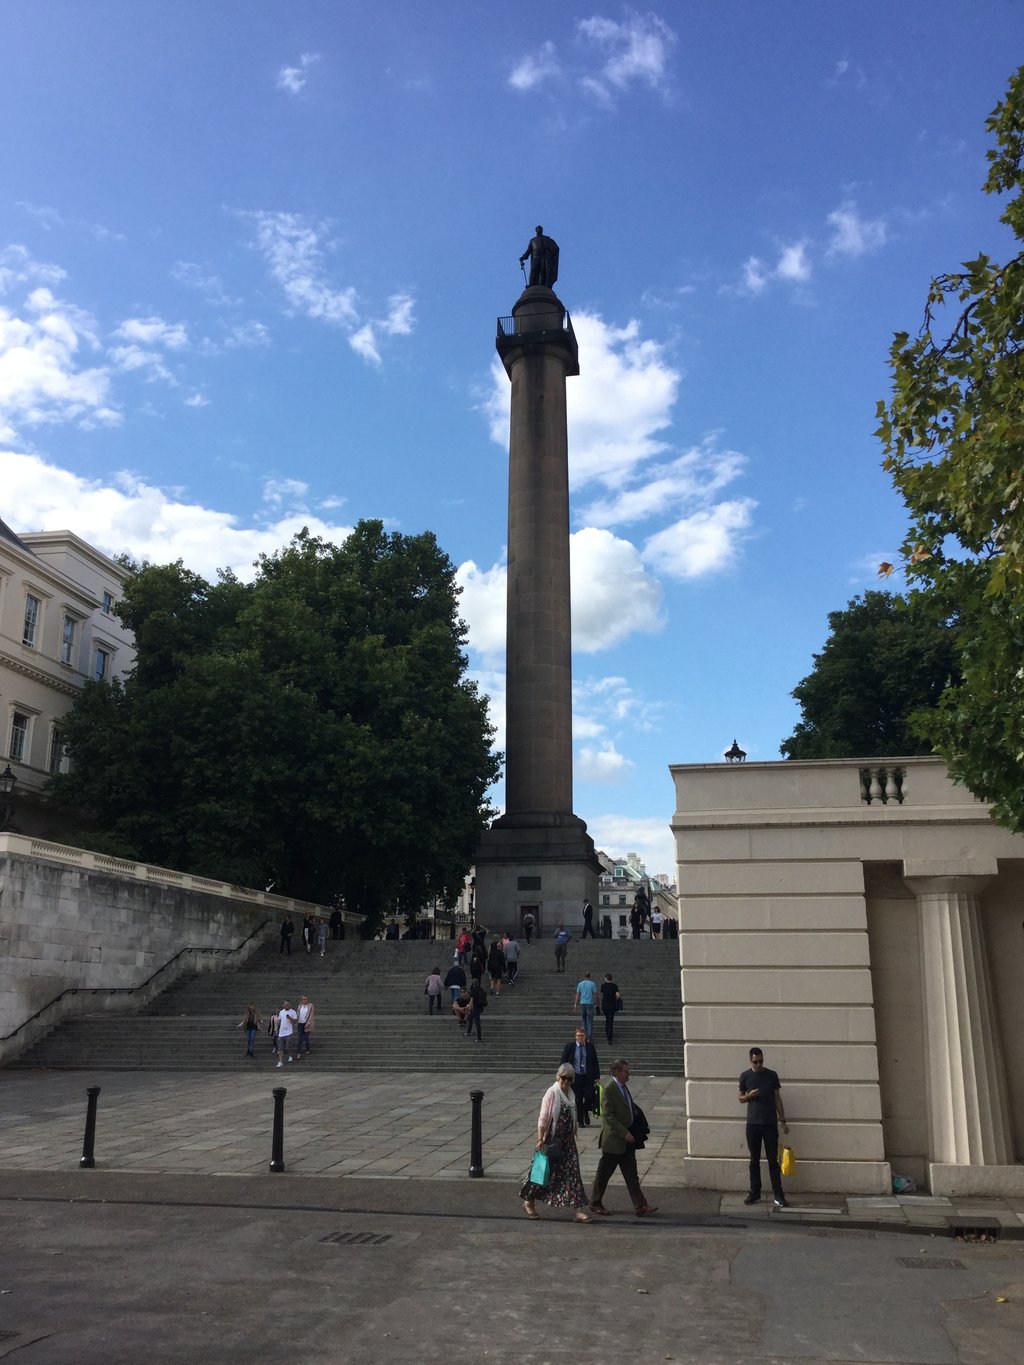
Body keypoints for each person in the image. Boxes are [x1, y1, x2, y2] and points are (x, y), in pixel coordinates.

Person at [519, 1062, 591, 1222]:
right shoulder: (551, 1093)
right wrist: (540, 1139)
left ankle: (578, 1211)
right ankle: (528, 1201)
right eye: (563, 1078)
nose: (566, 1082)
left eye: (569, 1079)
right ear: (558, 1077)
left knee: (573, 1175)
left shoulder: (571, 1095)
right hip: (552, 1141)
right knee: (542, 1172)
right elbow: (543, 1118)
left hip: (568, 1143)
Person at [589, 1059, 658, 1217]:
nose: (628, 1074)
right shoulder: (609, 1089)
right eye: (626, 1071)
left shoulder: (622, 1086)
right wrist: (624, 1133)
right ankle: (595, 1202)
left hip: (627, 1140)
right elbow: (609, 1116)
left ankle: (640, 1205)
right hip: (614, 1141)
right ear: (616, 1072)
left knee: (631, 1174)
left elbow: (626, 1105)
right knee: (604, 1174)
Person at [739, 1046, 790, 1208]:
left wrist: (783, 1121)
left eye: (761, 1061)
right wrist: (749, 1096)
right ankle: (755, 1192)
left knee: (772, 1160)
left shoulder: (772, 1075)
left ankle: (778, 1194)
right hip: (753, 1124)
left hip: (770, 1124)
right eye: (756, 1062)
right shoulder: (745, 1076)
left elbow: (777, 1098)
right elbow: (740, 1098)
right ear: (750, 1060)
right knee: (754, 1160)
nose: (759, 1064)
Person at [560, 1026, 601, 1128]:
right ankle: (581, 1120)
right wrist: (563, 1076)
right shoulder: (570, 1047)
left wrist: (597, 1076)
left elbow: (595, 1062)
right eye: (578, 1036)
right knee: (577, 1099)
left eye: (582, 1036)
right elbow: (564, 1061)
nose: (580, 1038)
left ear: (585, 1036)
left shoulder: (590, 1047)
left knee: (589, 1097)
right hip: (576, 1077)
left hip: (587, 1077)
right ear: (575, 1036)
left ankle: (585, 1111)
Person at [574, 971, 599, 1039]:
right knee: (590, 1019)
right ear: (589, 976)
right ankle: (589, 1036)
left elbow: (577, 994)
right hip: (590, 1003)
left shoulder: (580, 984)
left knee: (584, 1019)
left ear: (584, 976)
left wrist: (575, 1004)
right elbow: (595, 994)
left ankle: (584, 1034)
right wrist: (597, 1003)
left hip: (582, 1003)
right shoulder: (592, 984)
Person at [598, 973, 621, 1044]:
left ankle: (607, 1033)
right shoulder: (614, 986)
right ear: (611, 978)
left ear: (606, 978)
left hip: (605, 1005)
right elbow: (618, 995)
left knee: (607, 1019)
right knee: (610, 1021)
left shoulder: (603, 985)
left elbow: (601, 993)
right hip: (612, 1005)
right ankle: (609, 1037)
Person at [274, 1000, 298, 1067]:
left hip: (289, 1032)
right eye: (285, 1004)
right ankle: (280, 1061)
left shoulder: (293, 1012)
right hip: (281, 1033)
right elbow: (279, 1021)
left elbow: (295, 1022)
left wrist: (290, 1018)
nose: (286, 1006)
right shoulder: (281, 1012)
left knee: (288, 1045)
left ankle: (290, 1055)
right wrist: (277, 1029)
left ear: (290, 1005)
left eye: (287, 1004)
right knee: (280, 1048)